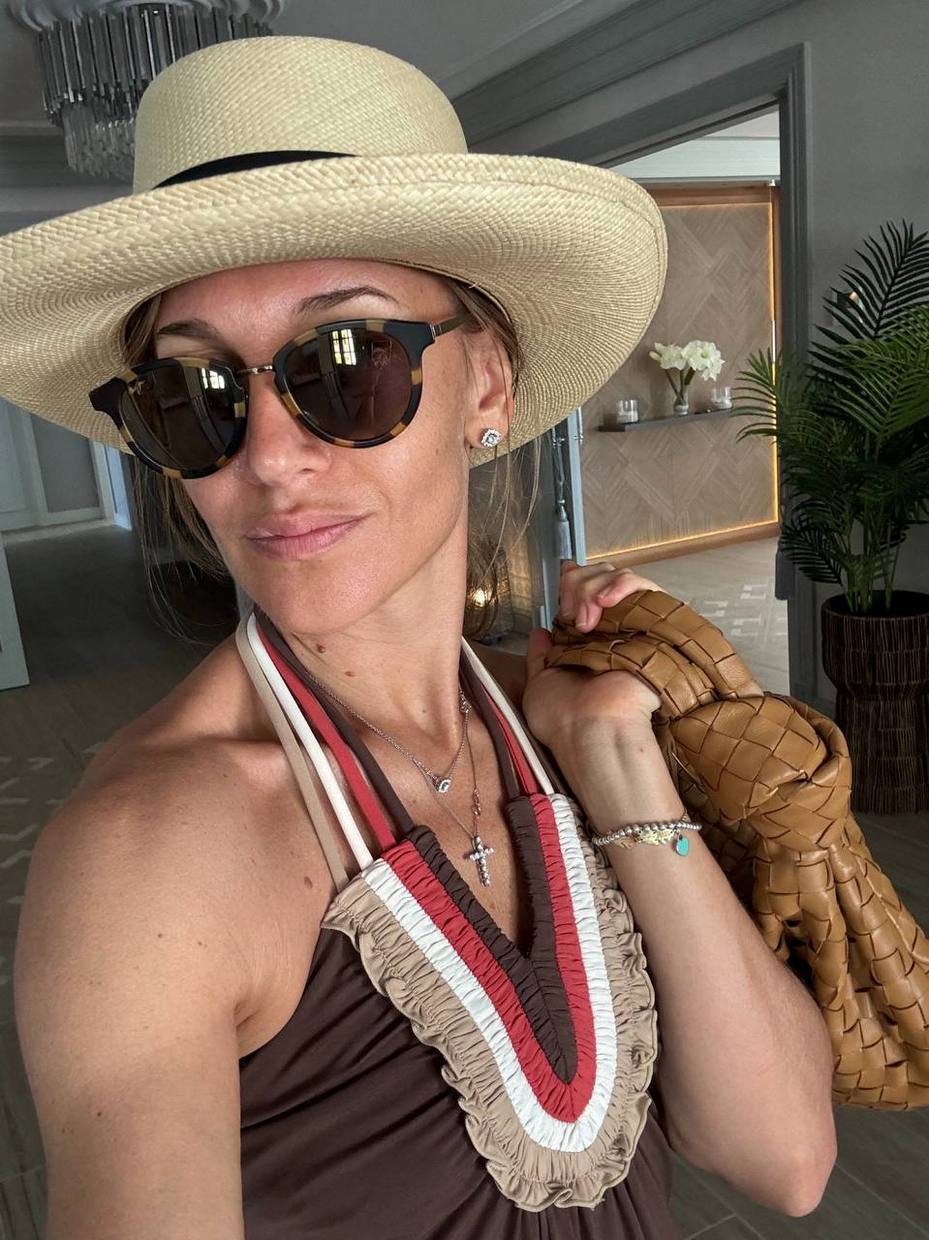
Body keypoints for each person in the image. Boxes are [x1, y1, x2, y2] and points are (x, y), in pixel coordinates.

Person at [1, 34, 836, 1240]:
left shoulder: (558, 723)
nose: (270, 459)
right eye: (194, 397)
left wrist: (615, 761)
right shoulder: (146, 856)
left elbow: (784, 1158)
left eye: (345, 365)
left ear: (485, 384)